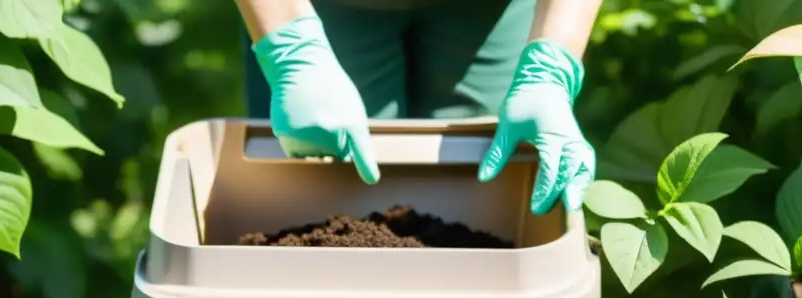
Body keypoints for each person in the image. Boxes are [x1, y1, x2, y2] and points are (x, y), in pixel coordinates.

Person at [235, 0, 602, 215]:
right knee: (325, 201)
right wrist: (289, 47)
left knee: (485, 202)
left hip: (488, 11)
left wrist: (552, 65)